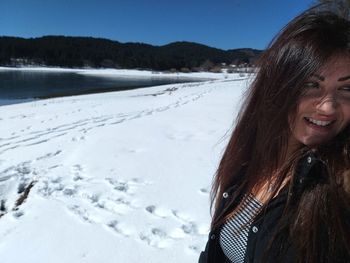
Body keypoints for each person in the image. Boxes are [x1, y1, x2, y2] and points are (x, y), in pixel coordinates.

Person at [199, 9, 350, 263]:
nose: (328, 107)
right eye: (311, 84)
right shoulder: (250, 158)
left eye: (347, 88)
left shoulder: (338, 182)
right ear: (278, 85)